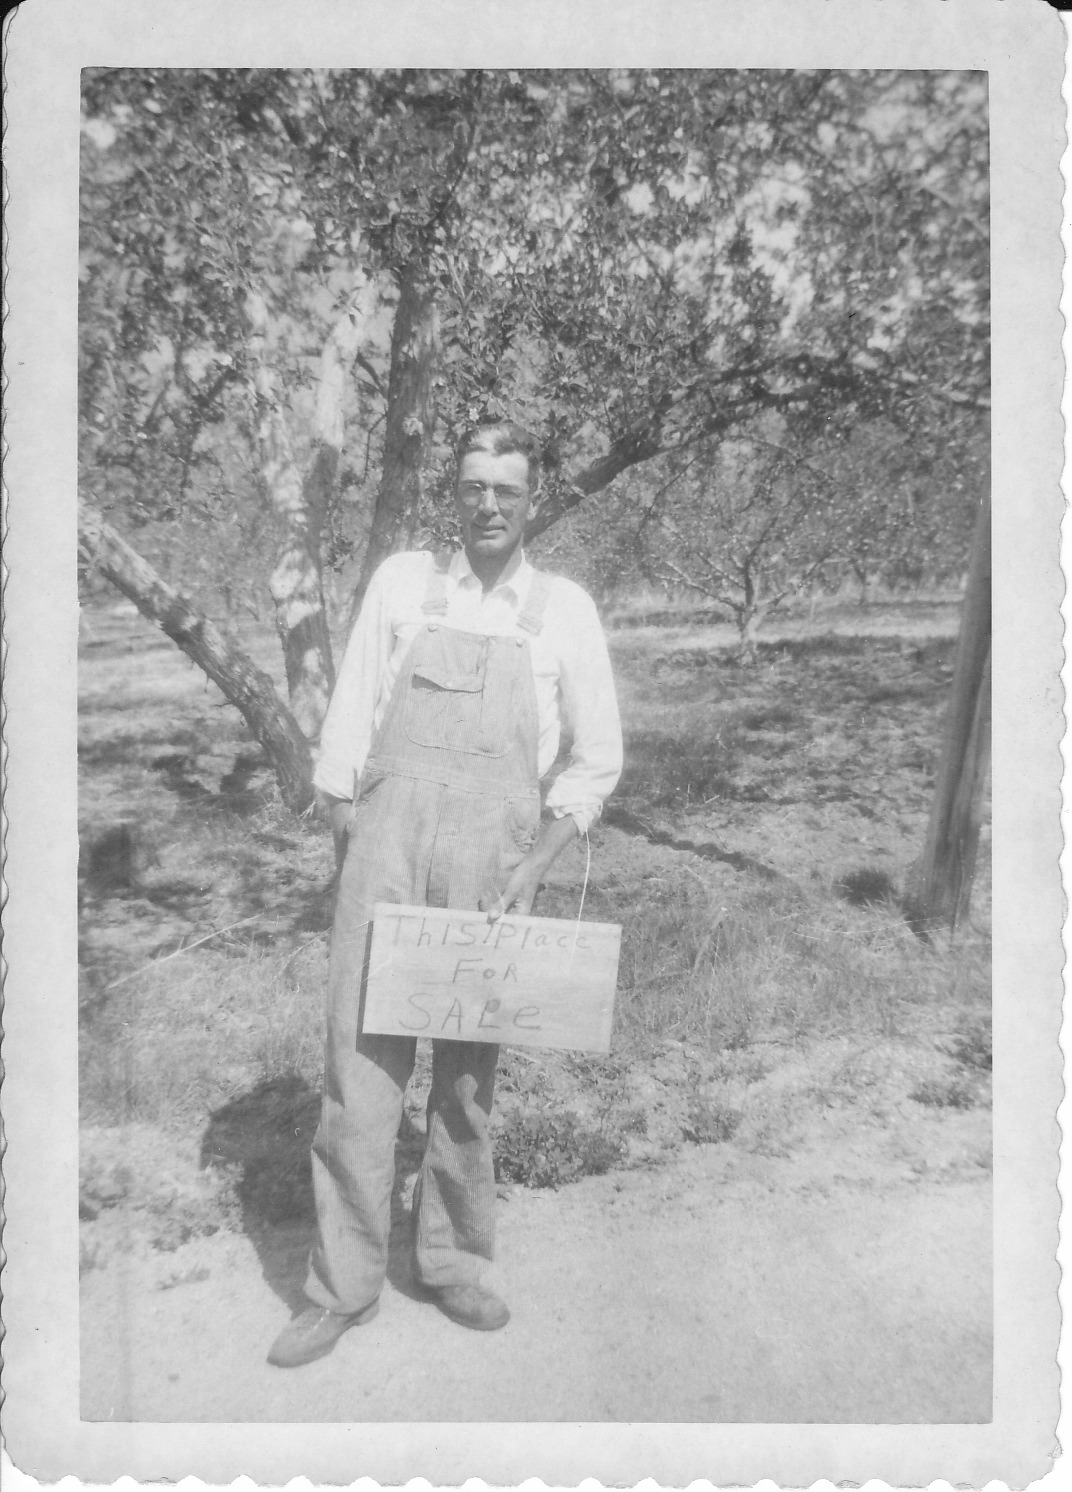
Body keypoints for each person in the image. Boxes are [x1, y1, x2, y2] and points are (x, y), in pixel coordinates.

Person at [267, 419, 623, 1368]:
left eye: (507, 487)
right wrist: (354, 834)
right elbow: (346, 726)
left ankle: (455, 1262)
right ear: (454, 493)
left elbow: (596, 762)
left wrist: (534, 862)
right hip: (385, 850)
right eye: (474, 486)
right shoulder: (401, 586)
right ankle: (341, 1286)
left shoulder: (563, 612)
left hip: (494, 865)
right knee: (359, 1068)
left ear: (533, 497)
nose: (490, 504)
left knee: (468, 1080)